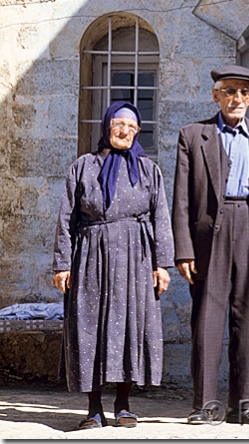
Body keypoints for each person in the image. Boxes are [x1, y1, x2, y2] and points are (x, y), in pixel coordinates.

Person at [172, 65, 249, 425]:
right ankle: (204, 404)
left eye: (244, 92)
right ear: (215, 95)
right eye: (229, 91)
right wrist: (184, 250)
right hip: (209, 235)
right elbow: (181, 201)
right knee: (207, 318)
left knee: (248, 319)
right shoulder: (193, 135)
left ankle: (244, 405)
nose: (237, 99)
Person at [52, 101, 174, 429]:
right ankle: (93, 408)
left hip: (136, 256)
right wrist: (62, 264)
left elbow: (161, 217)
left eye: (132, 127)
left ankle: (123, 403)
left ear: (138, 131)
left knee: (130, 327)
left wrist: (163, 265)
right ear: (107, 127)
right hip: (90, 254)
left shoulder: (149, 171)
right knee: (88, 326)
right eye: (119, 125)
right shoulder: (83, 167)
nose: (125, 131)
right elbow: (66, 218)